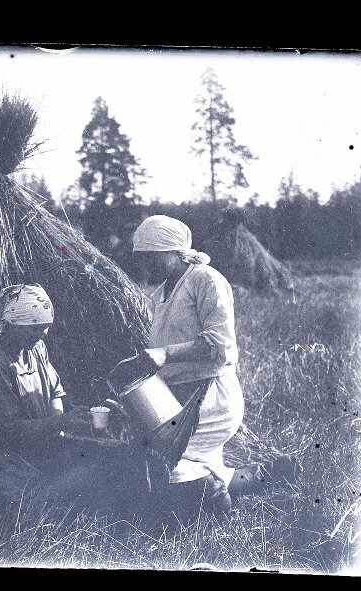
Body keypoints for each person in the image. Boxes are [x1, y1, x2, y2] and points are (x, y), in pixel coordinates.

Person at [0, 283, 150, 504]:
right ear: (14, 325)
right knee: (91, 477)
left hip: (40, 446)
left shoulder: (35, 349)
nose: (42, 335)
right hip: (7, 463)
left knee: (121, 453)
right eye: (35, 328)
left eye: (45, 327)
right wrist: (61, 423)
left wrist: (60, 424)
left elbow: (55, 390)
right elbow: (8, 432)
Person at [132, 215, 248, 520]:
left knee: (170, 459)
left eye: (151, 257)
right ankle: (264, 477)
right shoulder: (161, 294)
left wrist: (165, 354)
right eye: (141, 258)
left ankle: (218, 511)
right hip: (183, 394)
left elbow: (219, 345)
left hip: (211, 393)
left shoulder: (205, 279)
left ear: (173, 251)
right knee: (198, 462)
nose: (145, 265)